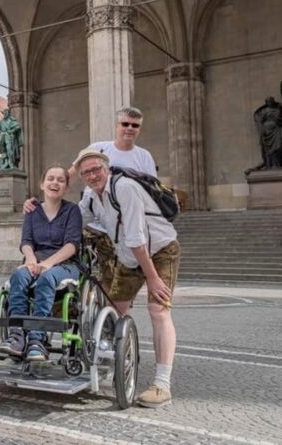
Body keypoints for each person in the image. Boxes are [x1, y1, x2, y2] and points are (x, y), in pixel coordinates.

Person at [75, 148, 180, 408]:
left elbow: (137, 237)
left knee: (159, 310)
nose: (92, 175)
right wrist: (38, 207)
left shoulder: (125, 188)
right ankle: (115, 361)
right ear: (81, 176)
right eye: (86, 172)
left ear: (106, 168)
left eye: (96, 169)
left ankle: (162, 385)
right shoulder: (91, 197)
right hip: (130, 256)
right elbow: (71, 220)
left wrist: (153, 278)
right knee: (116, 310)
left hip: (160, 251)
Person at [25, 106, 156, 291]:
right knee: (57, 241)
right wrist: (40, 204)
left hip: (122, 227)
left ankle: (111, 311)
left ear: (139, 129)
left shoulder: (144, 157)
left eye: (135, 125)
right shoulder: (97, 148)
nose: (129, 128)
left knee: (114, 279)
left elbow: (151, 193)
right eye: (125, 124)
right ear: (117, 126)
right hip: (92, 222)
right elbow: (64, 178)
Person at [0, 164, 82, 362]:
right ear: (42, 184)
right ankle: (16, 335)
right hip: (36, 261)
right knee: (19, 275)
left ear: (66, 188)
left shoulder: (72, 211)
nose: (55, 183)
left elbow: (72, 245)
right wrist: (31, 260)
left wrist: (47, 264)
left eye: (61, 180)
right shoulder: (32, 211)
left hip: (65, 264)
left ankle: (37, 338)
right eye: (50, 179)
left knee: (46, 277)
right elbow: (26, 242)